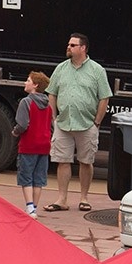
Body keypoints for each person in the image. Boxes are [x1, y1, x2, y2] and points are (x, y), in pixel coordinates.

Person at [46, 33, 112, 214]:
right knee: (62, 160)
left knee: (86, 161)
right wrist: (54, 118)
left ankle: (84, 198)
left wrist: (96, 122)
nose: (69, 47)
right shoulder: (60, 68)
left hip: (87, 124)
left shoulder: (97, 70)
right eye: (69, 44)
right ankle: (62, 199)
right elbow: (52, 93)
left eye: (73, 45)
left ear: (83, 48)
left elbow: (104, 98)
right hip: (63, 123)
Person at [12, 72, 53, 217]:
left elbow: (22, 124)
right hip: (44, 146)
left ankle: (29, 207)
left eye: (28, 80)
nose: (25, 83)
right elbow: (51, 126)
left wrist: (15, 132)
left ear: (35, 85)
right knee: (39, 179)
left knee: (26, 176)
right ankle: (34, 207)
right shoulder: (48, 106)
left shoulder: (26, 102)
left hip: (29, 145)